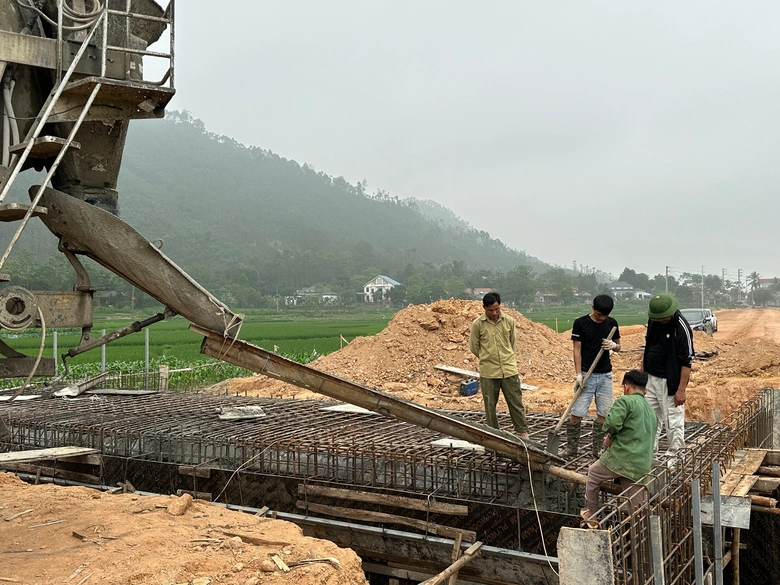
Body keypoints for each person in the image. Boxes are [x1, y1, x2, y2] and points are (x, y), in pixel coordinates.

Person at [582, 369, 657, 522]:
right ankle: (643, 534)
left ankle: (591, 514)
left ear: (627, 387)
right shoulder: (651, 410)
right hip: (641, 465)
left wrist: (610, 437)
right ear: (645, 390)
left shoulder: (625, 401)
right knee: (637, 507)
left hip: (621, 458)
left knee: (593, 473)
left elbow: (612, 424)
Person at [566, 294, 621, 458]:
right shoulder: (581, 323)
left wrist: (613, 346)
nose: (603, 318)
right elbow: (576, 349)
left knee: (604, 414)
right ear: (592, 308)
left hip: (605, 375)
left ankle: (598, 449)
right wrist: (578, 374)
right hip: (586, 375)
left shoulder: (612, 323)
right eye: (599, 314)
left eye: (605, 315)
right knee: (577, 412)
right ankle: (571, 449)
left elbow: (619, 346)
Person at [469, 292, 529, 440]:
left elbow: (512, 343)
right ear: (484, 308)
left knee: (516, 402)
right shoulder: (477, 324)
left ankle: (523, 433)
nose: (494, 313)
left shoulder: (509, 321)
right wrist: (487, 358)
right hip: (489, 372)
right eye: (490, 310)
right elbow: (474, 347)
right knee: (490, 406)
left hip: (509, 369)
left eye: (497, 309)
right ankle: (494, 435)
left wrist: (505, 357)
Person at [642, 294, 694, 456]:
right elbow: (648, 347)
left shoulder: (681, 327)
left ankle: (675, 456)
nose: (661, 321)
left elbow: (687, 362)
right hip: (651, 378)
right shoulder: (654, 321)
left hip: (669, 381)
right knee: (649, 418)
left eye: (664, 319)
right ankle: (648, 453)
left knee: (673, 420)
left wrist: (681, 390)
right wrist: (643, 377)